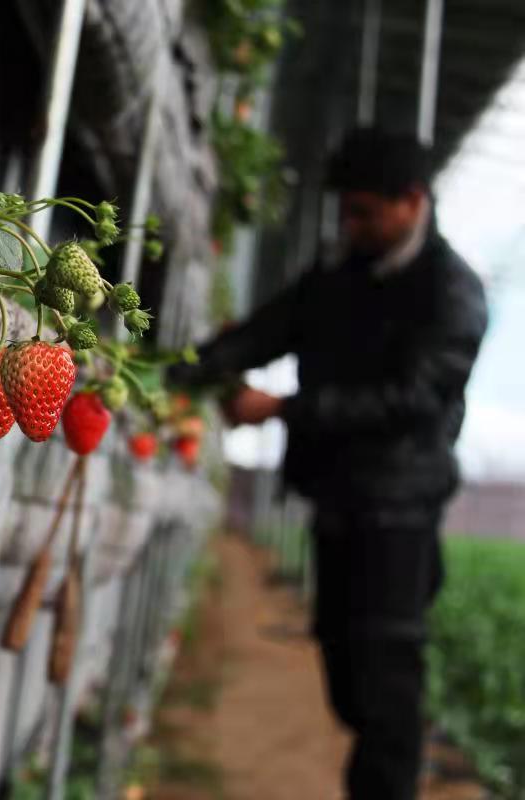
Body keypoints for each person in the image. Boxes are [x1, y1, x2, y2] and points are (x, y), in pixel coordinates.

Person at [170, 127, 488, 800]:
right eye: (346, 210)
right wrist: (184, 370)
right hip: (340, 499)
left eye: (364, 211)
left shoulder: (450, 293)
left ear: (412, 201)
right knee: (347, 673)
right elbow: (271, 329)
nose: (351, 224)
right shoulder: (345, 272)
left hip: (398, 514)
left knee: (385, 685)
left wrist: (283, 408)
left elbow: (411, 400)